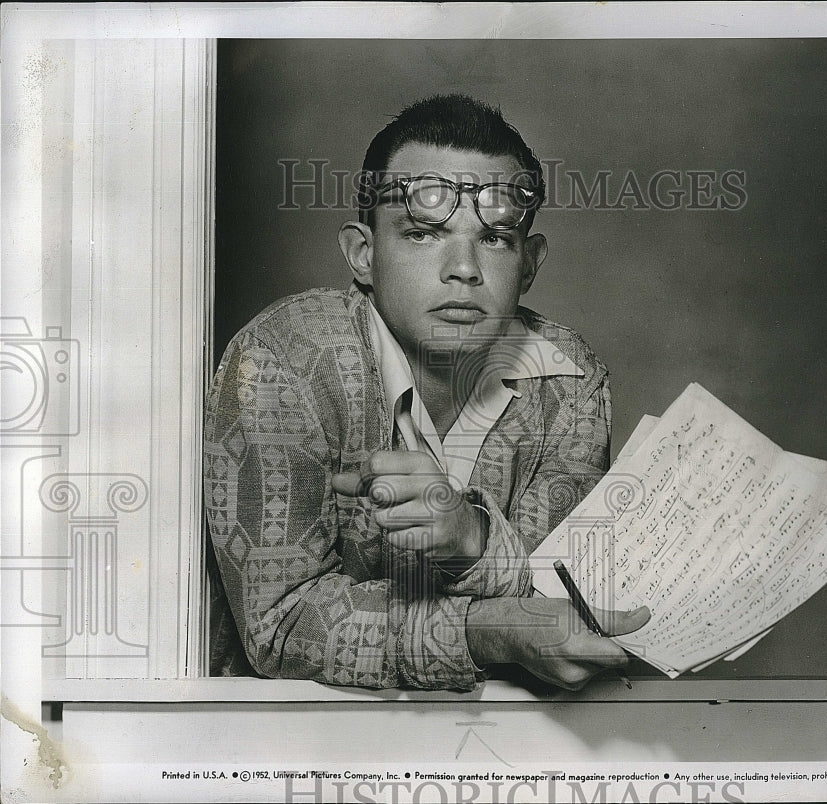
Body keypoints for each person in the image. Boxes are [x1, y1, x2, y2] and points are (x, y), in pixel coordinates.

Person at [204, 94, 648, 691]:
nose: (463, 268)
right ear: (363, 254)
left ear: (531, 262)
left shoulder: (571, 380)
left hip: (520, 739)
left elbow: (565, 598)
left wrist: (472, 537)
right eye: (422, 234)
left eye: (494, 240)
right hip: (298, 744)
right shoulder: (283, 362)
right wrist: (484, 630)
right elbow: (280, 629)